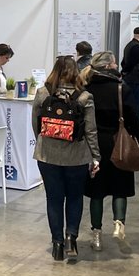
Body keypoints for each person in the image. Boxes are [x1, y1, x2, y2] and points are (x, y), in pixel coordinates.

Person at [34, 55, 99, 261]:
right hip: (77, 156)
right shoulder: (84, 96)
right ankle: (71, 237)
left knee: (53, 199)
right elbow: (91, 130)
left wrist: (43, 141)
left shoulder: (43, 92)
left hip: (47, 155)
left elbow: (36, 124)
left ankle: (57, 244)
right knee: (74, 197)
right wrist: (96, 156)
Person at [83, 52, 139, 250]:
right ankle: (119, 225)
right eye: (115, 62)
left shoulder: (87, 88)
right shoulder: (120, 88)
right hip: (119, 143)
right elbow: (132, 117)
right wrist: (138, 140)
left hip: (94, 145)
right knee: (120, 188)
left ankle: (96, 235)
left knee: (96, 192)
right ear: (109, 66)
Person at [121, 27, 139, 123]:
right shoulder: (137, 47)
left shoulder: (129, 45)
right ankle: (135, 129)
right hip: (136, 80)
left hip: (131, 79)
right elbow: (131, 63)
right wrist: (125, 72)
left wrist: (124, 72)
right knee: (136, 106)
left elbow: (123, 62)